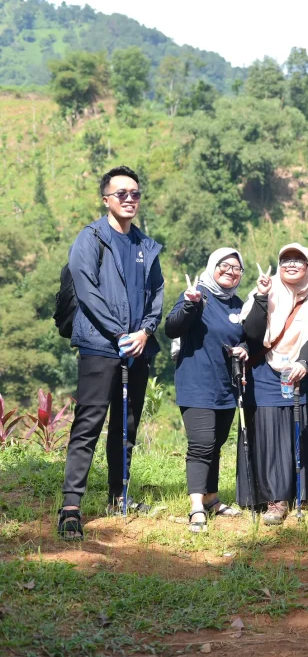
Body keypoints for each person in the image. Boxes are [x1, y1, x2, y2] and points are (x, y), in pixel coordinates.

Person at [58, 165, 164, 540]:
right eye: (122, 193)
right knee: (88, 423)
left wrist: (144, 332)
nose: (130, 199)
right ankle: (71, 506)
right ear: (106, 199)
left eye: (135, 193)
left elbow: (157, 295)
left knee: (127, 424)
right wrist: (120, 332)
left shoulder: (145, 246)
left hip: (136, 347)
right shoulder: (90, 239)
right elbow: (87, 291)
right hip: (100, 345)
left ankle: (119, 494)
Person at [165, 248, 247, 533]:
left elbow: (247, 338)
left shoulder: (238, 304)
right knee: (201, 444)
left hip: (226, 386)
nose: (230, 271)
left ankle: (212, 498)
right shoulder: (198, 295)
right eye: (224, 265)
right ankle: (196, 507)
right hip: (196, 383)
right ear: (212, 266)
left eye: (236, 267)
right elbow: (172, 328)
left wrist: (244, 349)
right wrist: (189, 305)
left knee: (217, 442)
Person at [239, 244, 308, 525]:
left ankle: (298, 492)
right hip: (265, 371)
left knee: (296, 430)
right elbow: (250, 331)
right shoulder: (266, 290)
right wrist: (261, 295)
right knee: (271, 433)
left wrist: (304, 362)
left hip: (298, 370)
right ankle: (275, 499)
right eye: (286, 260)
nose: (292, 264)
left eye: (299, 260)